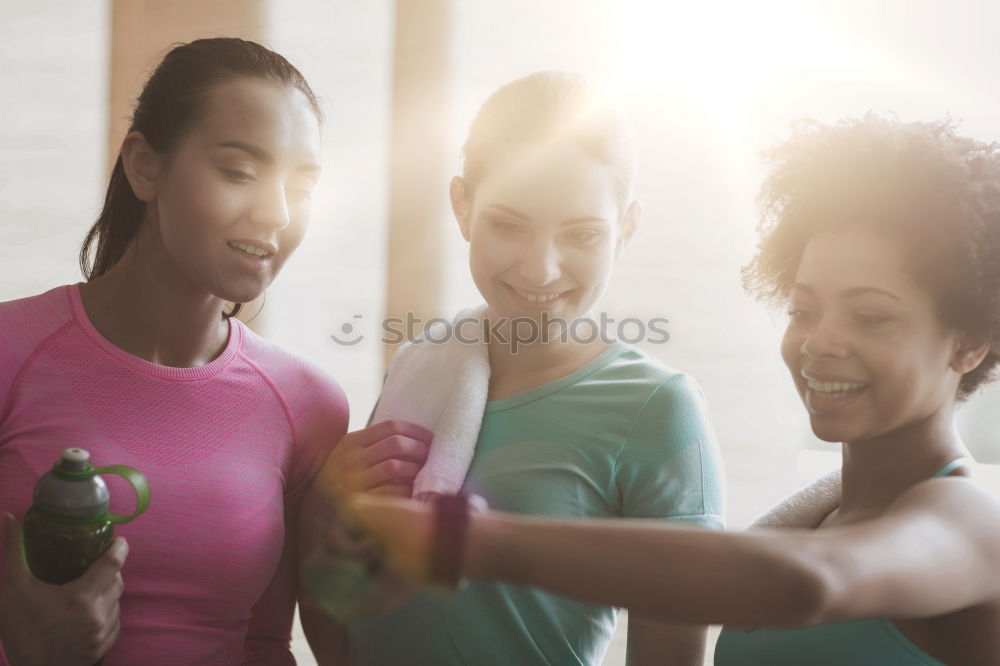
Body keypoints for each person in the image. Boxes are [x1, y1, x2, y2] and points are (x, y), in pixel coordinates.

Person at [346, 115, 1000, 666]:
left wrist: (467, 542)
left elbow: (807, 583)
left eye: (871, 317)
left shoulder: (971, 526)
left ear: (970, 341)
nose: (821, 342)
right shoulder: (820, 519)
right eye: (803, 310)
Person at [0, 37, 429, 665]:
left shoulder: (307, 405)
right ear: (145, 166)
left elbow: (265, 642)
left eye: (301, 185)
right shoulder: (14, 353)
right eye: (239, 171)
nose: (276, 213)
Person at [336, 71, 725, 666]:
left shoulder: (658, 410)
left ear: (626, 229)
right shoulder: (418, 370)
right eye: (508, 225)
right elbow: (348, 597)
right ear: (462, 207)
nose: (541, 270)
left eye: (582, 234)